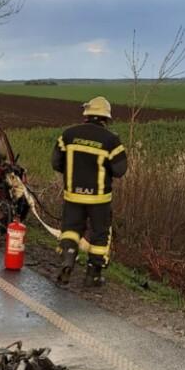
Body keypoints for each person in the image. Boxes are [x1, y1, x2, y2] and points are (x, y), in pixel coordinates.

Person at [52, 97, 127, 287]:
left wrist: (73, 173)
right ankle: (92, 275)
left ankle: (67, 260)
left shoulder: (68, 135)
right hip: (99, 199)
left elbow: (56, 163)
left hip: (73, 196)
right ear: (106, 118)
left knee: (70, 230)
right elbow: (120, 170)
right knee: (100, 235)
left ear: (86, 115)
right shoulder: (111, 140)